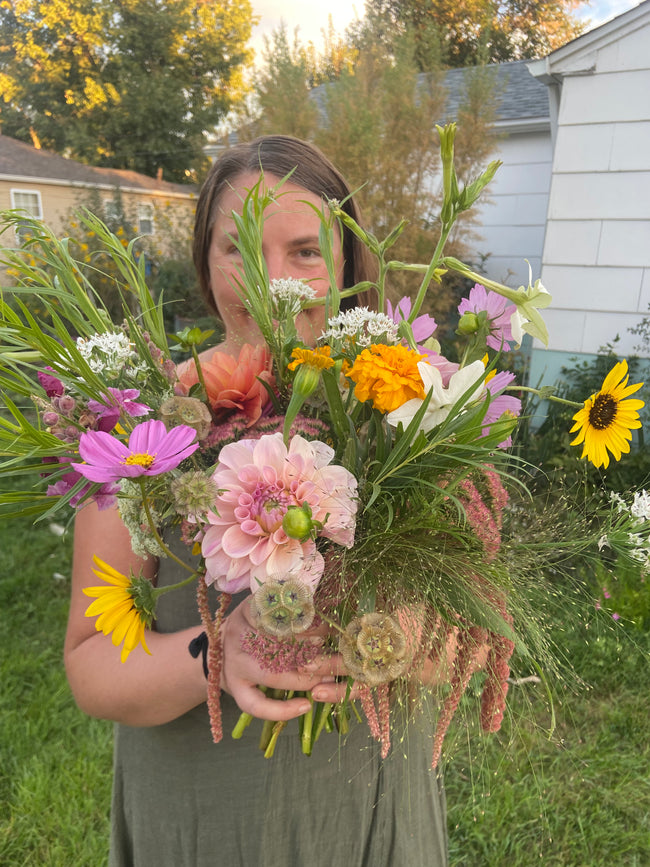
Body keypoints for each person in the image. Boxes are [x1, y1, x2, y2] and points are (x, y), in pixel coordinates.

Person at [64, 135, 449, 867]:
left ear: (346, 264)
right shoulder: (140, 428)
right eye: (238, 248)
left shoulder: (413, 410)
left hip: (372, 806)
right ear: (206, 267)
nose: (274, 280)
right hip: (205, 815)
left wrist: (402, 634)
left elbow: (471, 632)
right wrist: (220, 650)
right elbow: (92, 664)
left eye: (304, 251)